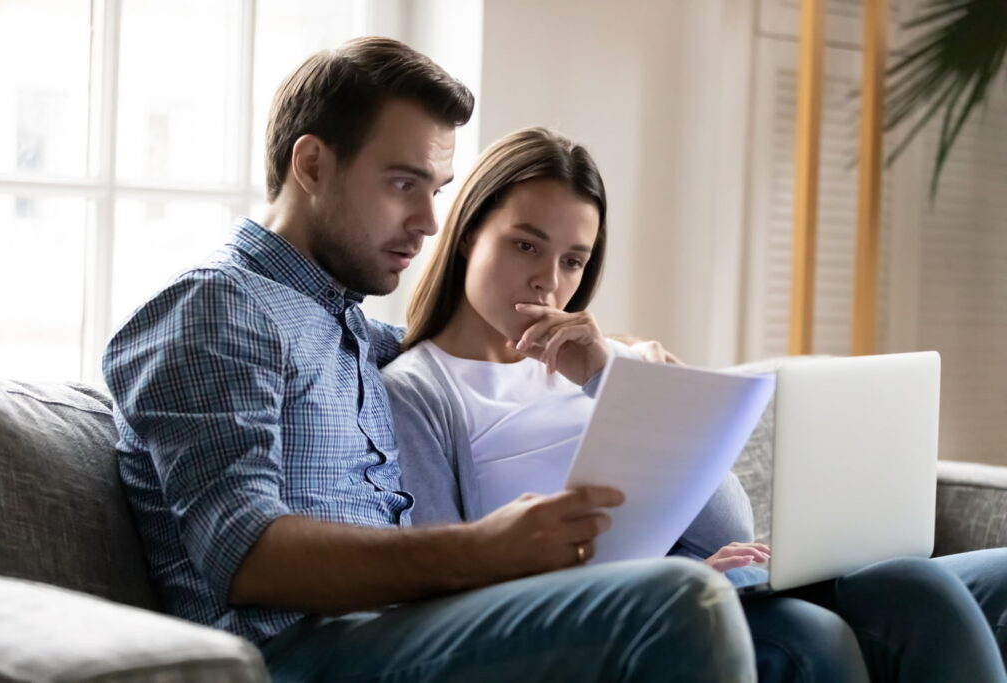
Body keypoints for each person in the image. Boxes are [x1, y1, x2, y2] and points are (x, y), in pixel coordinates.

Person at [102, 38, 757, 681]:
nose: (429, 220)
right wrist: (487, 549)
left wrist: (622, 367)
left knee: (795, 607)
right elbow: (244, 554)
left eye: (437, 189)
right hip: (290, 656)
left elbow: (470, 350)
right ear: (311, 165)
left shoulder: (348, 327)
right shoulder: (216, 306)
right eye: (402, 184)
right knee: (678, 599)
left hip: (389, 633)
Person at [382, 126, 1007, 682]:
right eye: (525, 245)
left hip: (717, 585)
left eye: (573, 260)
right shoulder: (421, 391)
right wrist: (677, 586)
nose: (550, 279)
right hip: (636, 616)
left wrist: (613, 377)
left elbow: (730, 530)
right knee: (815, 637)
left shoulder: (608, 362)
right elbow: (448, 591)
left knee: (922, 583)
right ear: (466, 236)